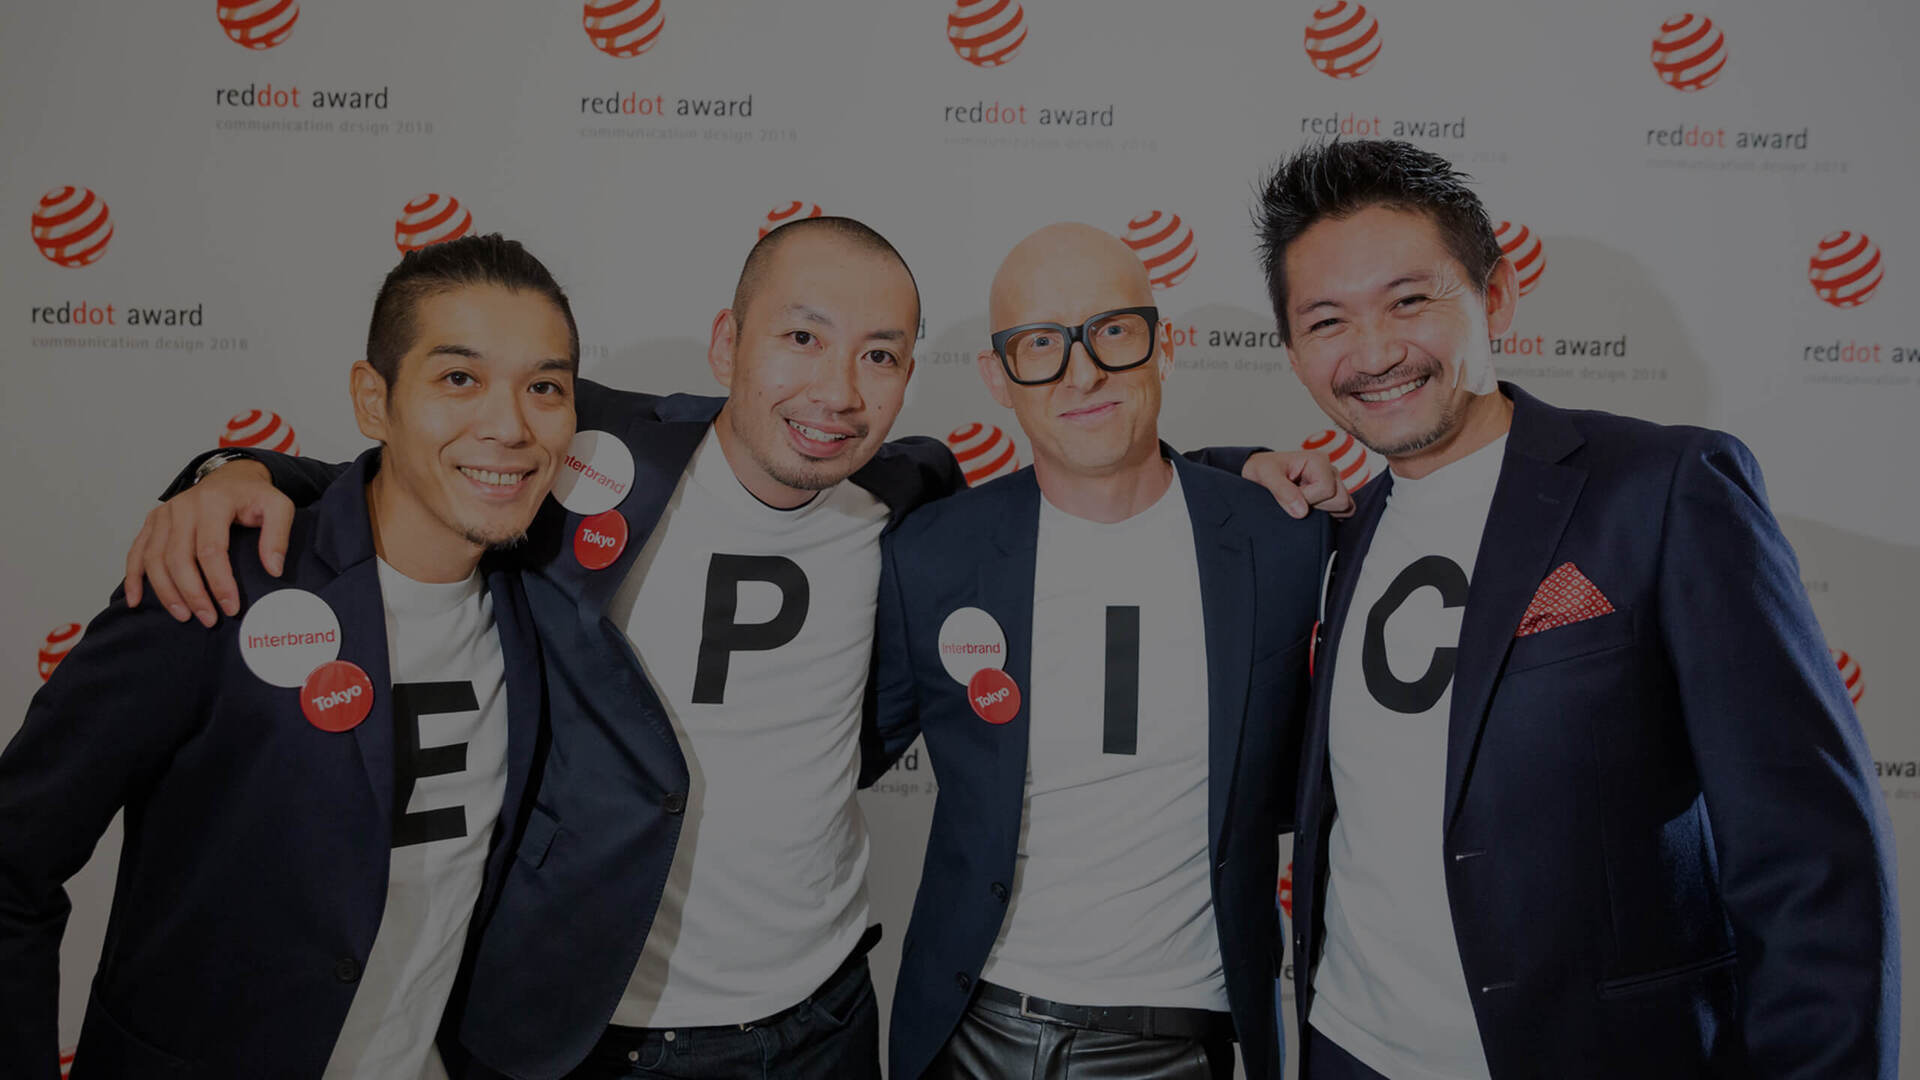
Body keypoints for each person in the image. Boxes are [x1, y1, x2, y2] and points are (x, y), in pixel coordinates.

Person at [120, 216, 1350, 1080]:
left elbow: (1101, 475)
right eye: (801, 339)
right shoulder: (590, 452)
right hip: (588, 1030)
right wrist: (238, 472)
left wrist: (1242, 473)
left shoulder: (907, 501)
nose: (838, 389)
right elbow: (428, 469)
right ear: (726, 345)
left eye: (880, 357)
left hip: (825, 1028)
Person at [1254, 139, 1898, 1079]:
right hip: (1352, 1051)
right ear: (1293, 352)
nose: (1375, 352)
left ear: (1498, 295)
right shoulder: (1332, 533)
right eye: (1327, 321)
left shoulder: (1664, 491)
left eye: (1409, 301)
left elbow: (1811, 859)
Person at [0, 233, 578, 1078]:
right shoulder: (213, 581)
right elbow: (12, 861)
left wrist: (251, 465)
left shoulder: (549, 598)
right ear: (373, 400)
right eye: (459, 378)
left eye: (545, 387)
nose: (509, 425)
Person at [870, 224, 1328, 1080]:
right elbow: (837, 757)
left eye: (1112, 331)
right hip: (969, 1034)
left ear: (1164, 344)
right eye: (1040, 344)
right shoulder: (932, 557)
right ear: (998, 377)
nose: (1081, 373)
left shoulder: (1283, 541)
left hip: (1176, 1044)